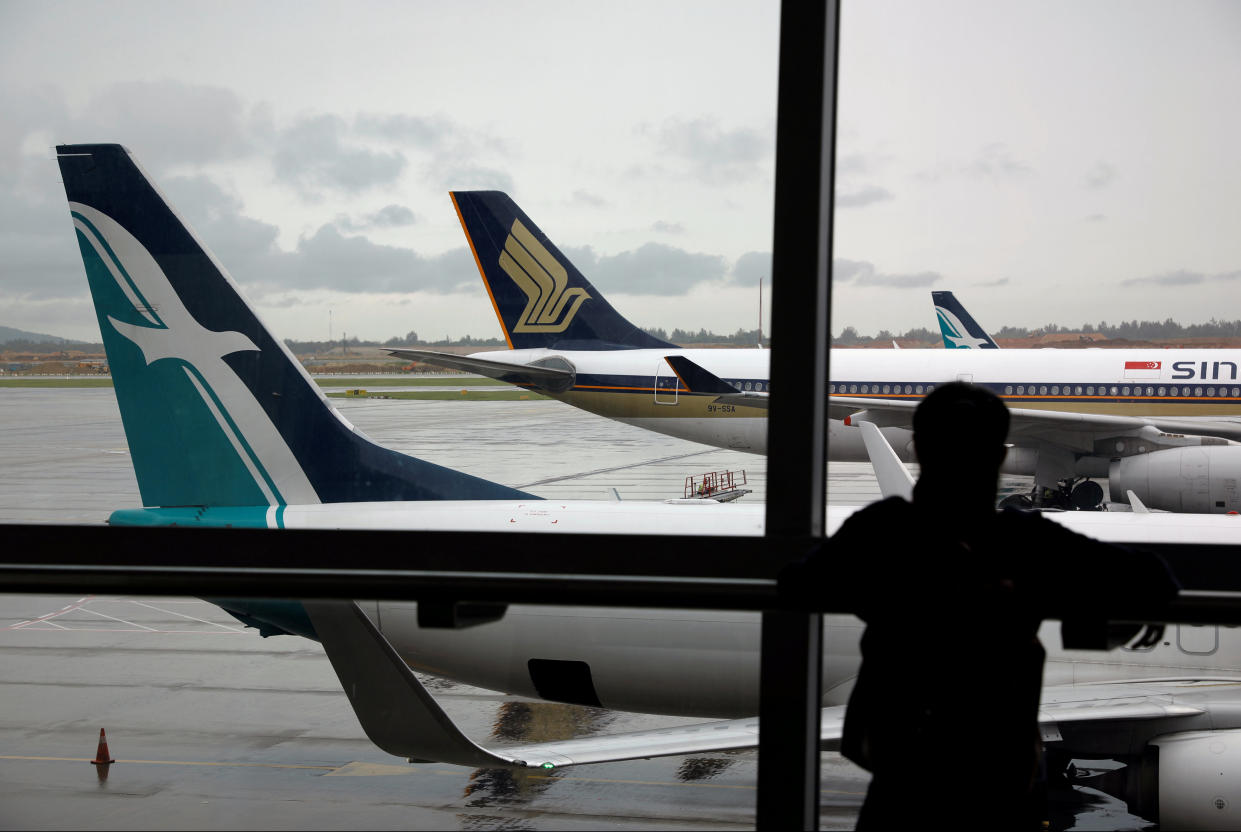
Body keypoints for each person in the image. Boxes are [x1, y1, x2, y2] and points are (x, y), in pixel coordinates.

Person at [780, 382, 1178, 830]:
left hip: (903, 780)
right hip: (998, 783)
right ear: (998, 457)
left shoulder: (882, 531)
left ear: (918, 451)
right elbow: (1150, 575)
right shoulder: (1023, 540)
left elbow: (799, 586)